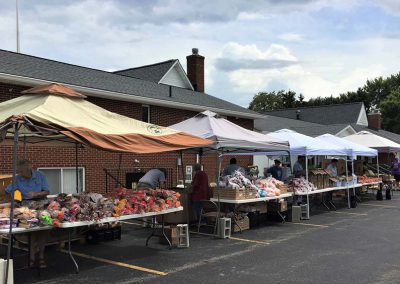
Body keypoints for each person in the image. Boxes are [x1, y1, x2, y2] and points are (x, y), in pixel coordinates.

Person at [5, 159, 50, 268]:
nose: (20, 174)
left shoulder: (40, 175)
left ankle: (41, 256)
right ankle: (32, 258)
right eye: (19, 171)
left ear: (28, 169)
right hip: (26, 207)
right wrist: (11, 196)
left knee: (43, 231)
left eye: (21, 171)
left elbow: (47, 191)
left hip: (40, 204)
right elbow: (7, 190)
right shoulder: (18, 178)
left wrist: (36, 193)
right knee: (32, 232)